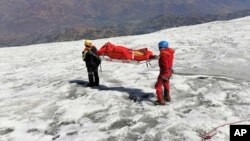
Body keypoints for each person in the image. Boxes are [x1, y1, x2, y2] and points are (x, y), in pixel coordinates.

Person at [154, 41, 175, 105]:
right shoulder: (169, 51)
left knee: (158, 86)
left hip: (164, 72)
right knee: (166, 83)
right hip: (169, 71)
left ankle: (161, 100)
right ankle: (167, 97)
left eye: (159, 47)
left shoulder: (163, 54)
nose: (159, 48)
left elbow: (165, 64)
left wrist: (164, 74)